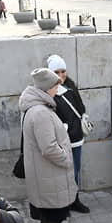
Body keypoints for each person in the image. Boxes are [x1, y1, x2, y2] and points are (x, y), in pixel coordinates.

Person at [19, 68, 77, 223]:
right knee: (56, 213)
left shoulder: (36, 107)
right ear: (47, 88)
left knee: (51, 211)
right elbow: (49, 147)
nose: (57, 89)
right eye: (55, 86)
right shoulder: (41, 112)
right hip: (49, 171)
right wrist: (67, 160)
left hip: (45, 171)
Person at [48, 54, 90, 214]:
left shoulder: (70, 87)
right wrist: (63, 127)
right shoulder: (48, 92)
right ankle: (63, 204)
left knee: (75, 170)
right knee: (61, 173)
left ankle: (74, 200)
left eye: (63, 71)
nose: (60, 75)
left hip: (76, 138)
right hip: (61, 140)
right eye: (56, 72)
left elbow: (81, 108)